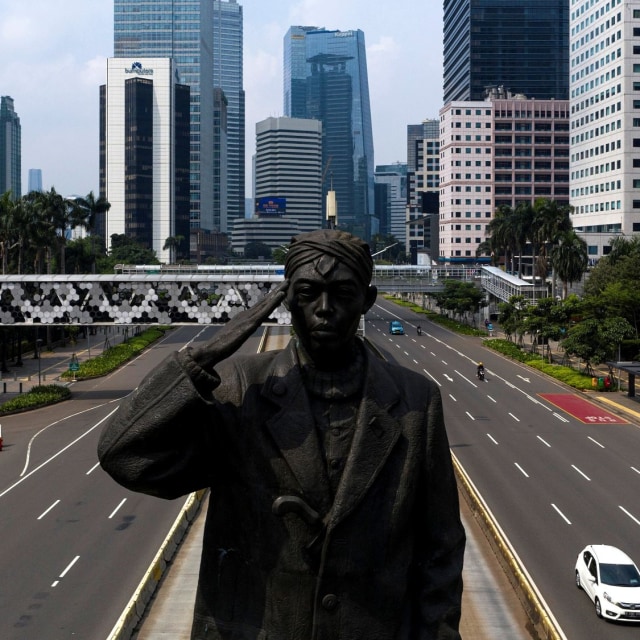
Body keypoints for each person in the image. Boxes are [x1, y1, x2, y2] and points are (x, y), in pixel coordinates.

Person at [97, 229, 465, 640]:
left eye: (342, 293)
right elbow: (123, 454)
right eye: (309, 292)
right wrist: (196, 363)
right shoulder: (240, 391)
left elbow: (441, 549)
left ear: (367, 300)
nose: (324, 309)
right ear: (287, 298)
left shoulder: (415, 403)